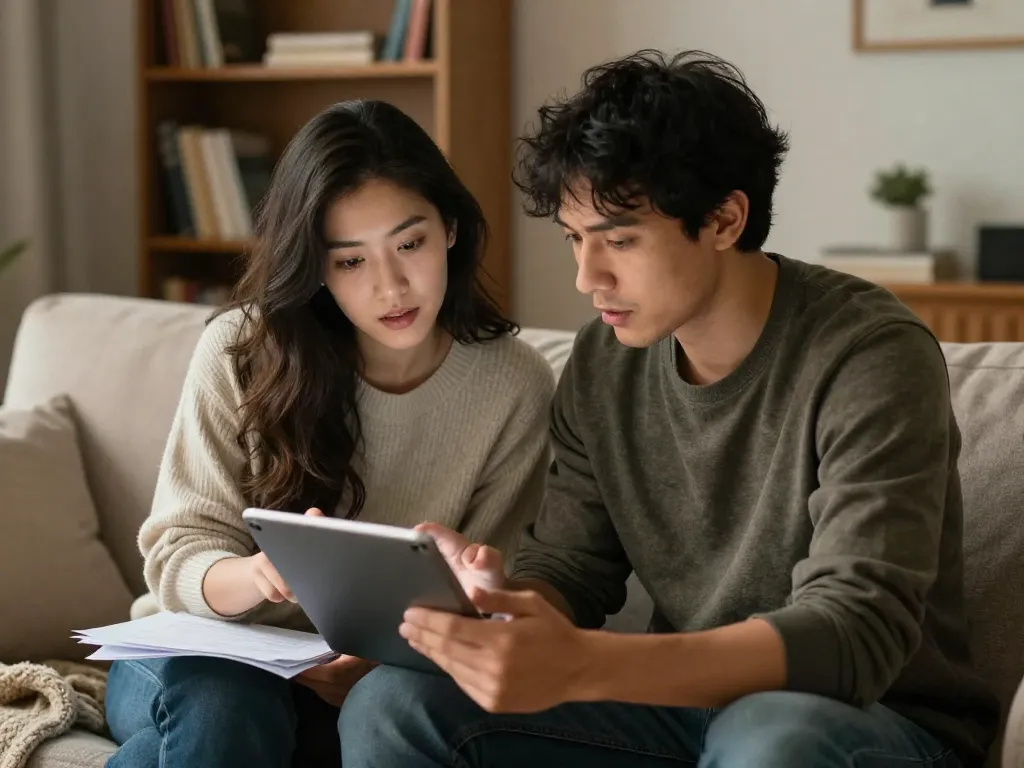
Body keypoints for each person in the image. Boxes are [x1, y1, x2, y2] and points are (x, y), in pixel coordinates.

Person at [336, 50, 1001, 768]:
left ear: (724, 219)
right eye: (575, 239)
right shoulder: (605, 360)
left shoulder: (871, 354)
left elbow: (854, 632)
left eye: (619, 240)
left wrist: (584, 664)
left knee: (771, 739)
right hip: (681, 713)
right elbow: (573, 569)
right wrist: (500, 610)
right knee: (397, 702)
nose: (587, 277)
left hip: (866, 723)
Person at [102, 99, 555, 768]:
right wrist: (258, 575)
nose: (391, 287)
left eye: (410, 244)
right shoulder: (240, 350)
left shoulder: (514, 384)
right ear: (315, 266)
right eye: (350, 262)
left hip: (366, 683)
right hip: (198, 653)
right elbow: (179, 555)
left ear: (451, 228)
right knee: (228, 705)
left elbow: (486, 588)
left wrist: (371, 668)